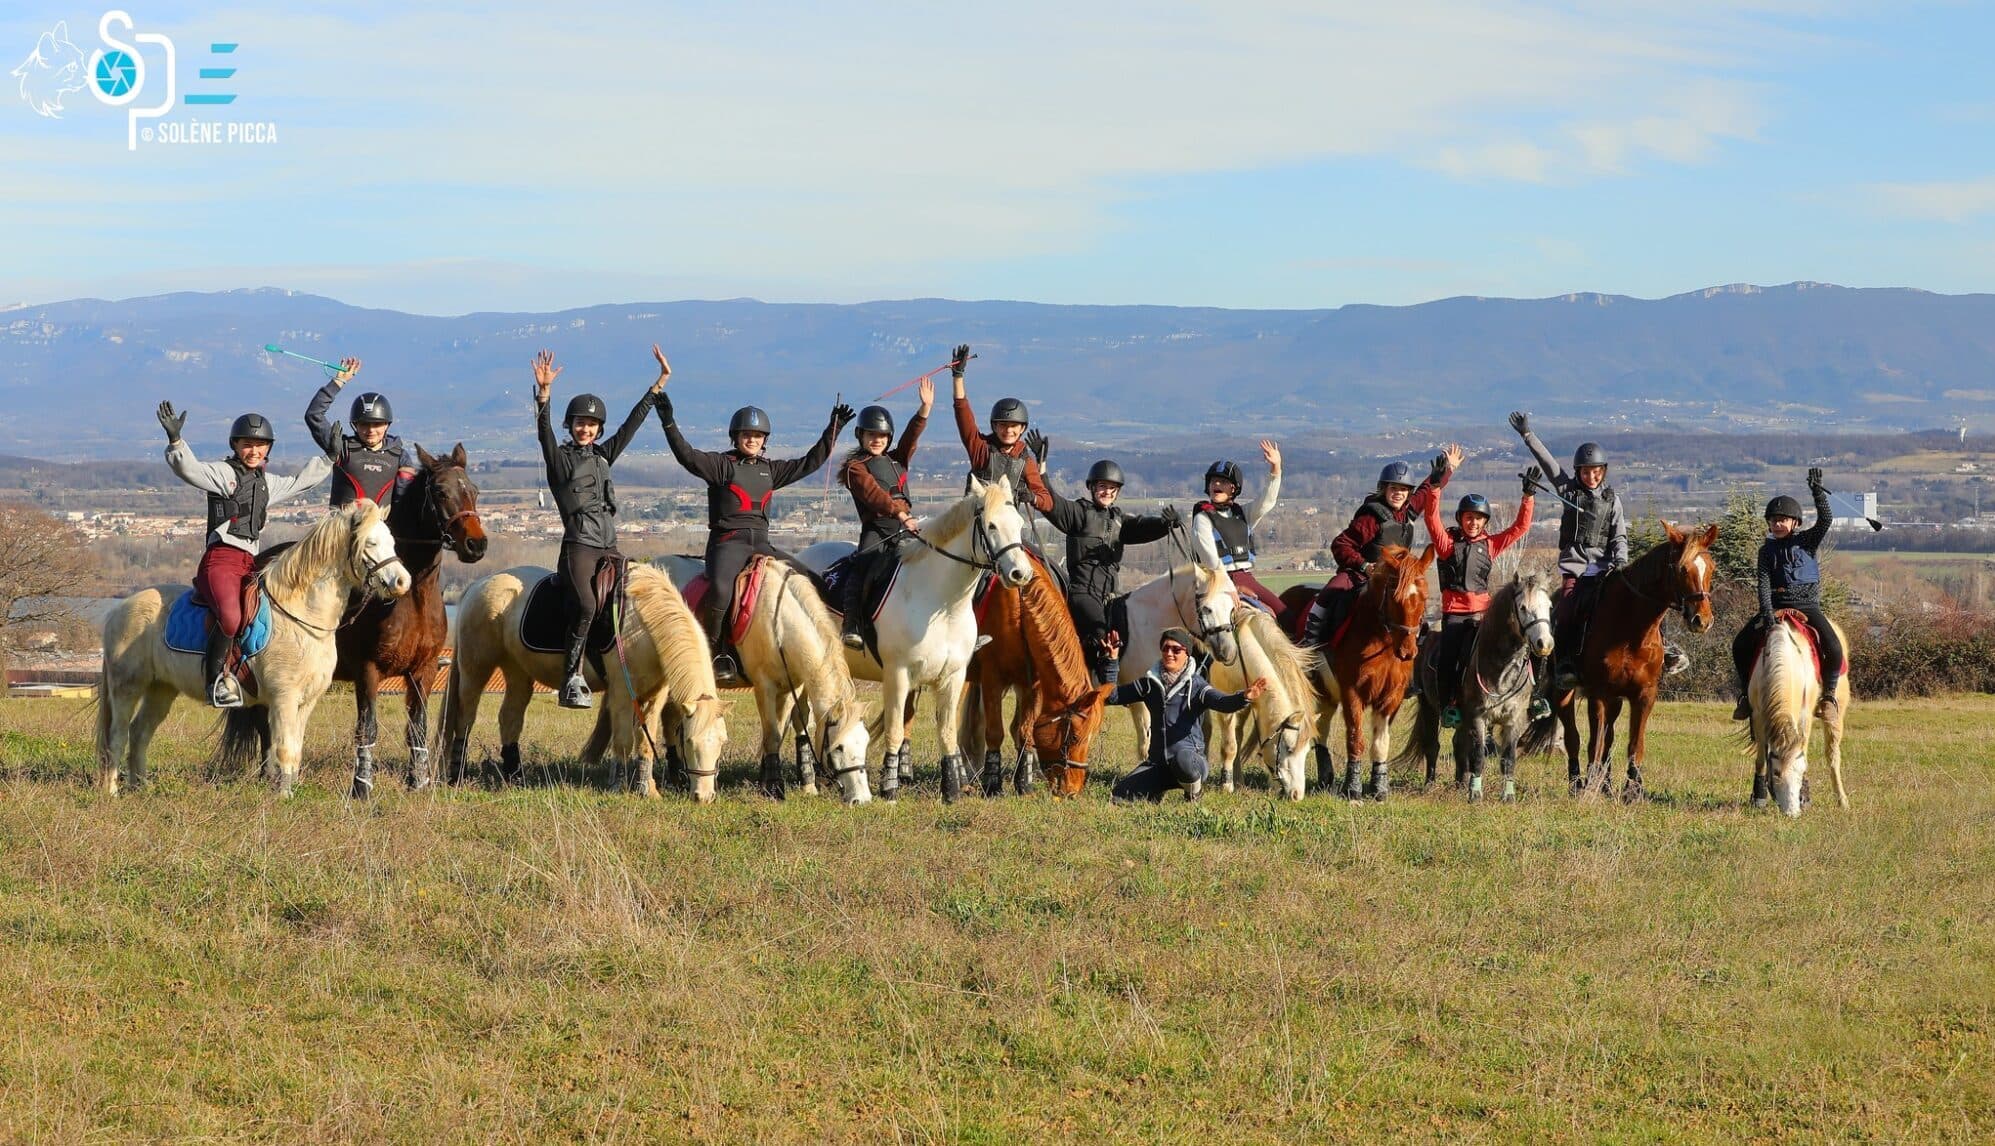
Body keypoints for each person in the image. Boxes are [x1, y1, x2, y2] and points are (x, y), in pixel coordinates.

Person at [656, 345, 851, 684]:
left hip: (761, 543)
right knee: (719, 589)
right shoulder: (720, 464)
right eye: (747, 435)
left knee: (811, 580)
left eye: (758, 436)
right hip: (727, 544)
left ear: (765, 440)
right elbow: (686, 455)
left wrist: (833, 428)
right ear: (736, 437)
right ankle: (716, 653)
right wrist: (668, 420)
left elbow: (810, 462)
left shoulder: (770, 470)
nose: (752, 440)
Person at [156, 399, 332, 707]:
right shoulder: (223, 474)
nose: (254, 451)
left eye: (261, 446)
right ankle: (215, 682)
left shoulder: (268, 483)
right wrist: (176, 441)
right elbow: (189, 469)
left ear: (269, 449)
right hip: (221, 560)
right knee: (231, 616)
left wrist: (329, 457)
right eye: (247, 445)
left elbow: (301, 482)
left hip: (250, 562)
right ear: (236, 446)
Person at [532, 347, 663, 709]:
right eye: (579, 423)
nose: (585, 428)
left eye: (591, 425)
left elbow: (631, 427)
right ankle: (570, 678)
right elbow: (543, 435)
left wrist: (656, 388)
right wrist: (544, 396)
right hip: (580, 547)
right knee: (587, 605)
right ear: (570, 426)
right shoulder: (559, 462)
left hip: (610, 545)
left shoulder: (604, 455)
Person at [1508, 413, 1636, 689]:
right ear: (1578, 472)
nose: (1591, 477)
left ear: (1603, 471)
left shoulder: (1613, 501)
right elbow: (1550, 465)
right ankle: (1564, 663)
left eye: (1596, 472)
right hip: (1576, 571)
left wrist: (1621, 561)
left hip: (1606, 569)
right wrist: (1527, 435)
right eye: (1586, 472)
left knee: (1637, 602)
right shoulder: (1568, 491)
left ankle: (1663, 652)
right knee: (1565, 612)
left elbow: (1620, 536)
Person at [1038, 458, 1180, 683]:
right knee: (1099, 634)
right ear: (1092, 487)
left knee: (1129, 636)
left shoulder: (1118, 521)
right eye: (1102, 487)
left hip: (1111, 598)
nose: (1107, 492)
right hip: (1083, 593)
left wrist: (1166, 524)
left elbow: (1142, 527)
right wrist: (1042, 468)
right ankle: (1091, 687)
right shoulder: (1078, 513)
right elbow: (1052, 502)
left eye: (1112, 488)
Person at [1303, 445, 1460, 646]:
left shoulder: (1408, 512)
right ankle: (1311, 642)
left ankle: (1414, 639)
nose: (1398, 493)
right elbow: (1340, 545)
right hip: (1359, 574)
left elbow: (1427, 490)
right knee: (1329, 593)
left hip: (1394, 578)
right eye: (1393, 488)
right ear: (1384, 489)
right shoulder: (1371, 518)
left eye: (1403, 489)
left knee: (1413, 602)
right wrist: (1364, 566)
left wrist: (1448, 470)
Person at [1423, 469, 1542, 728]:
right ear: (1461, 519)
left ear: (1485, 522)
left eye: (1478, 519)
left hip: (1484, 615)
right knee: (1449, 658)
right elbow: (1431, 519)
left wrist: (1528, 496)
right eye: (1469, 518)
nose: (1473, 523)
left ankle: (1534, 696)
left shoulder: (1490, 544)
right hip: (1455, 615)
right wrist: (1434, 488)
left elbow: (1520, 528)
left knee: (1522, 644)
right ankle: (1449, 706)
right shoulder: (1446, 546)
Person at [1102, 628, 1267, 803]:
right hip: (1158, 765)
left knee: (1182, 758)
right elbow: (1111, 696)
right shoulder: (1149, 684)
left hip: (1191, 763)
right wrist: (1111, 660)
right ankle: (1156, 792)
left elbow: (1222, 702)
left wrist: (1244, 697)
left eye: (1176, 650)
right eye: (1165, 648)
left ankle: (1193, 792)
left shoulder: (1197, 686)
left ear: (1187, 654)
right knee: (1118, 797)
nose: (1169, 653)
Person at [1732, 469, 1845, 721]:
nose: (1778, 524)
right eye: (1773, 520)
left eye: (1783, 519)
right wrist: (1767, 614)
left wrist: (1817, 492)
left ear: (1795, 523)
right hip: (1776, 606)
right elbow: (1763, 583)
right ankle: (1744, 696)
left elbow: (1825, 520)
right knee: (1739, 644)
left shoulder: (1807, 541)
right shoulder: (1765, 551)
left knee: (1834, 646)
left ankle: (1828, 696)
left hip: (1808, 606)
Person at [836, 378, 933, 648]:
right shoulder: (855, 468)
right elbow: (875, 497)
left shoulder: (897, 460)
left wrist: (924, 409)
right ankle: (851, 625)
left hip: (907, 529)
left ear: (888, 437)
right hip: (877, 531)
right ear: (861, 437)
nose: (876, 440)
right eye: (871, 435)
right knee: (862, 567)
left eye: (881, 436)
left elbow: (911, 437)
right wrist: (901, 515)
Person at [950, 343, 1055, 516]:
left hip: (1006, 530)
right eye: (1003, 425)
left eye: (1013, 426)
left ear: (1022, 428)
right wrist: (958, 376)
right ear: (994, 426)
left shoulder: (1025, 461)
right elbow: (962, 413)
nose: (1008, 430)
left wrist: (1032, 497)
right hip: (974, 524)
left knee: (1032, 546)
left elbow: (1048, 501)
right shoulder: (981, 449)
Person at [303, 356, 418, 508]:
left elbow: (406, 500)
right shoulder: (340, 448)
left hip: (381, 529)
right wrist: (338, 382)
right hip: (341, 529)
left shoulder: (400, 456)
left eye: (377, 424)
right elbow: (314, 415)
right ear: (355, 425)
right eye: (364, 424)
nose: (370, 430)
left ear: (387, 425)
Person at [1190, 440, 1286, 616]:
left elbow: (1267, 502)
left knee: (1285, 615)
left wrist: (1276, 469)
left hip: (1246, 577)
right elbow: (1210, 558)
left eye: (1222, 482)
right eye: (1213, 482)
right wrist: (1228, 587)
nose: (1216, 485)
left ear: (1233, 488)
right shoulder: (1202, 518)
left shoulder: (1242, 514)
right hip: (1215, 581)